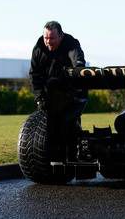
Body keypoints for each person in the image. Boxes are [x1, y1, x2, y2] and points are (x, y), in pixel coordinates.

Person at [29, 21, 87, 160]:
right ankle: (49, 157)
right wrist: (39, 97)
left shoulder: (71, 44)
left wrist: (78, 67)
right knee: (49, 125)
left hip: (72, 93)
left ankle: (72, 155)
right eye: (46, 38)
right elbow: (34, 75)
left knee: (68, 122)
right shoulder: (39, 48)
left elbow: (77, 60)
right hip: (49, 94)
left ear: (61, 36)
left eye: (52, 38)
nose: (48, 42)